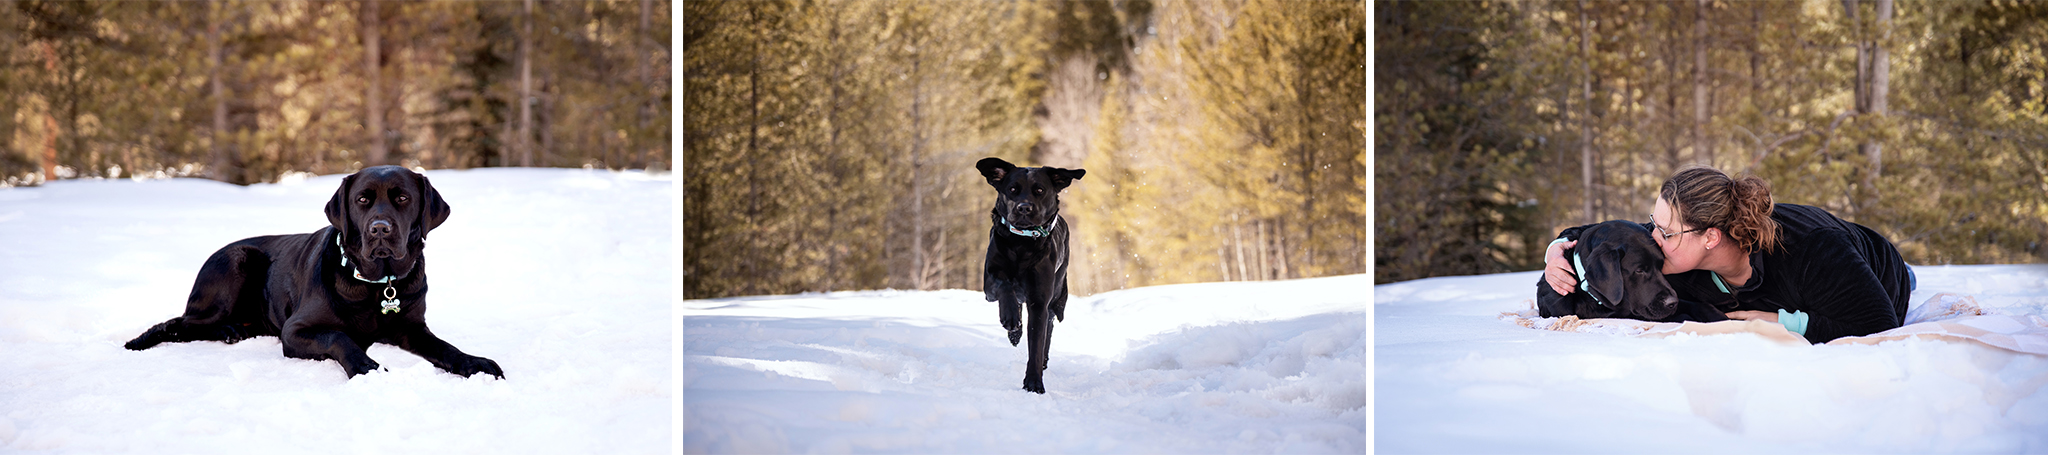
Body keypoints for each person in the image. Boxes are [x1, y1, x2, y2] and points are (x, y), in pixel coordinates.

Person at [1542, 166, 1915, 343]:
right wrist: (1558, 248)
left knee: (1883, 281)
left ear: (1710, 237)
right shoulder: (1673, 250)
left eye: (1665, 231)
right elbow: (1610, 238)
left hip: (1873, 270)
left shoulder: (1813, 250)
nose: (1652, 237)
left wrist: (1786, 322)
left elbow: (1879, 325)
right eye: (1652, 223)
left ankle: (1911, 273)